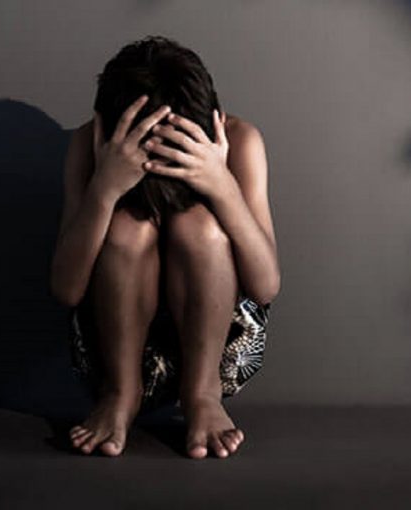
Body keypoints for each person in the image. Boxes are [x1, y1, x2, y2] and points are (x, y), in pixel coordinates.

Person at [49, 35, 280, 459]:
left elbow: (265, 286)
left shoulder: (241, 140)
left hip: (219, 348)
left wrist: (222, 186)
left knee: (199, 227)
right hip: (111, 347)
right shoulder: (88, 145)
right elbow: (65, 289)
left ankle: (201, 396)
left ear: (213, 121)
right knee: (127, 228)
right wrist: (104, 189)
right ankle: (121, 395)